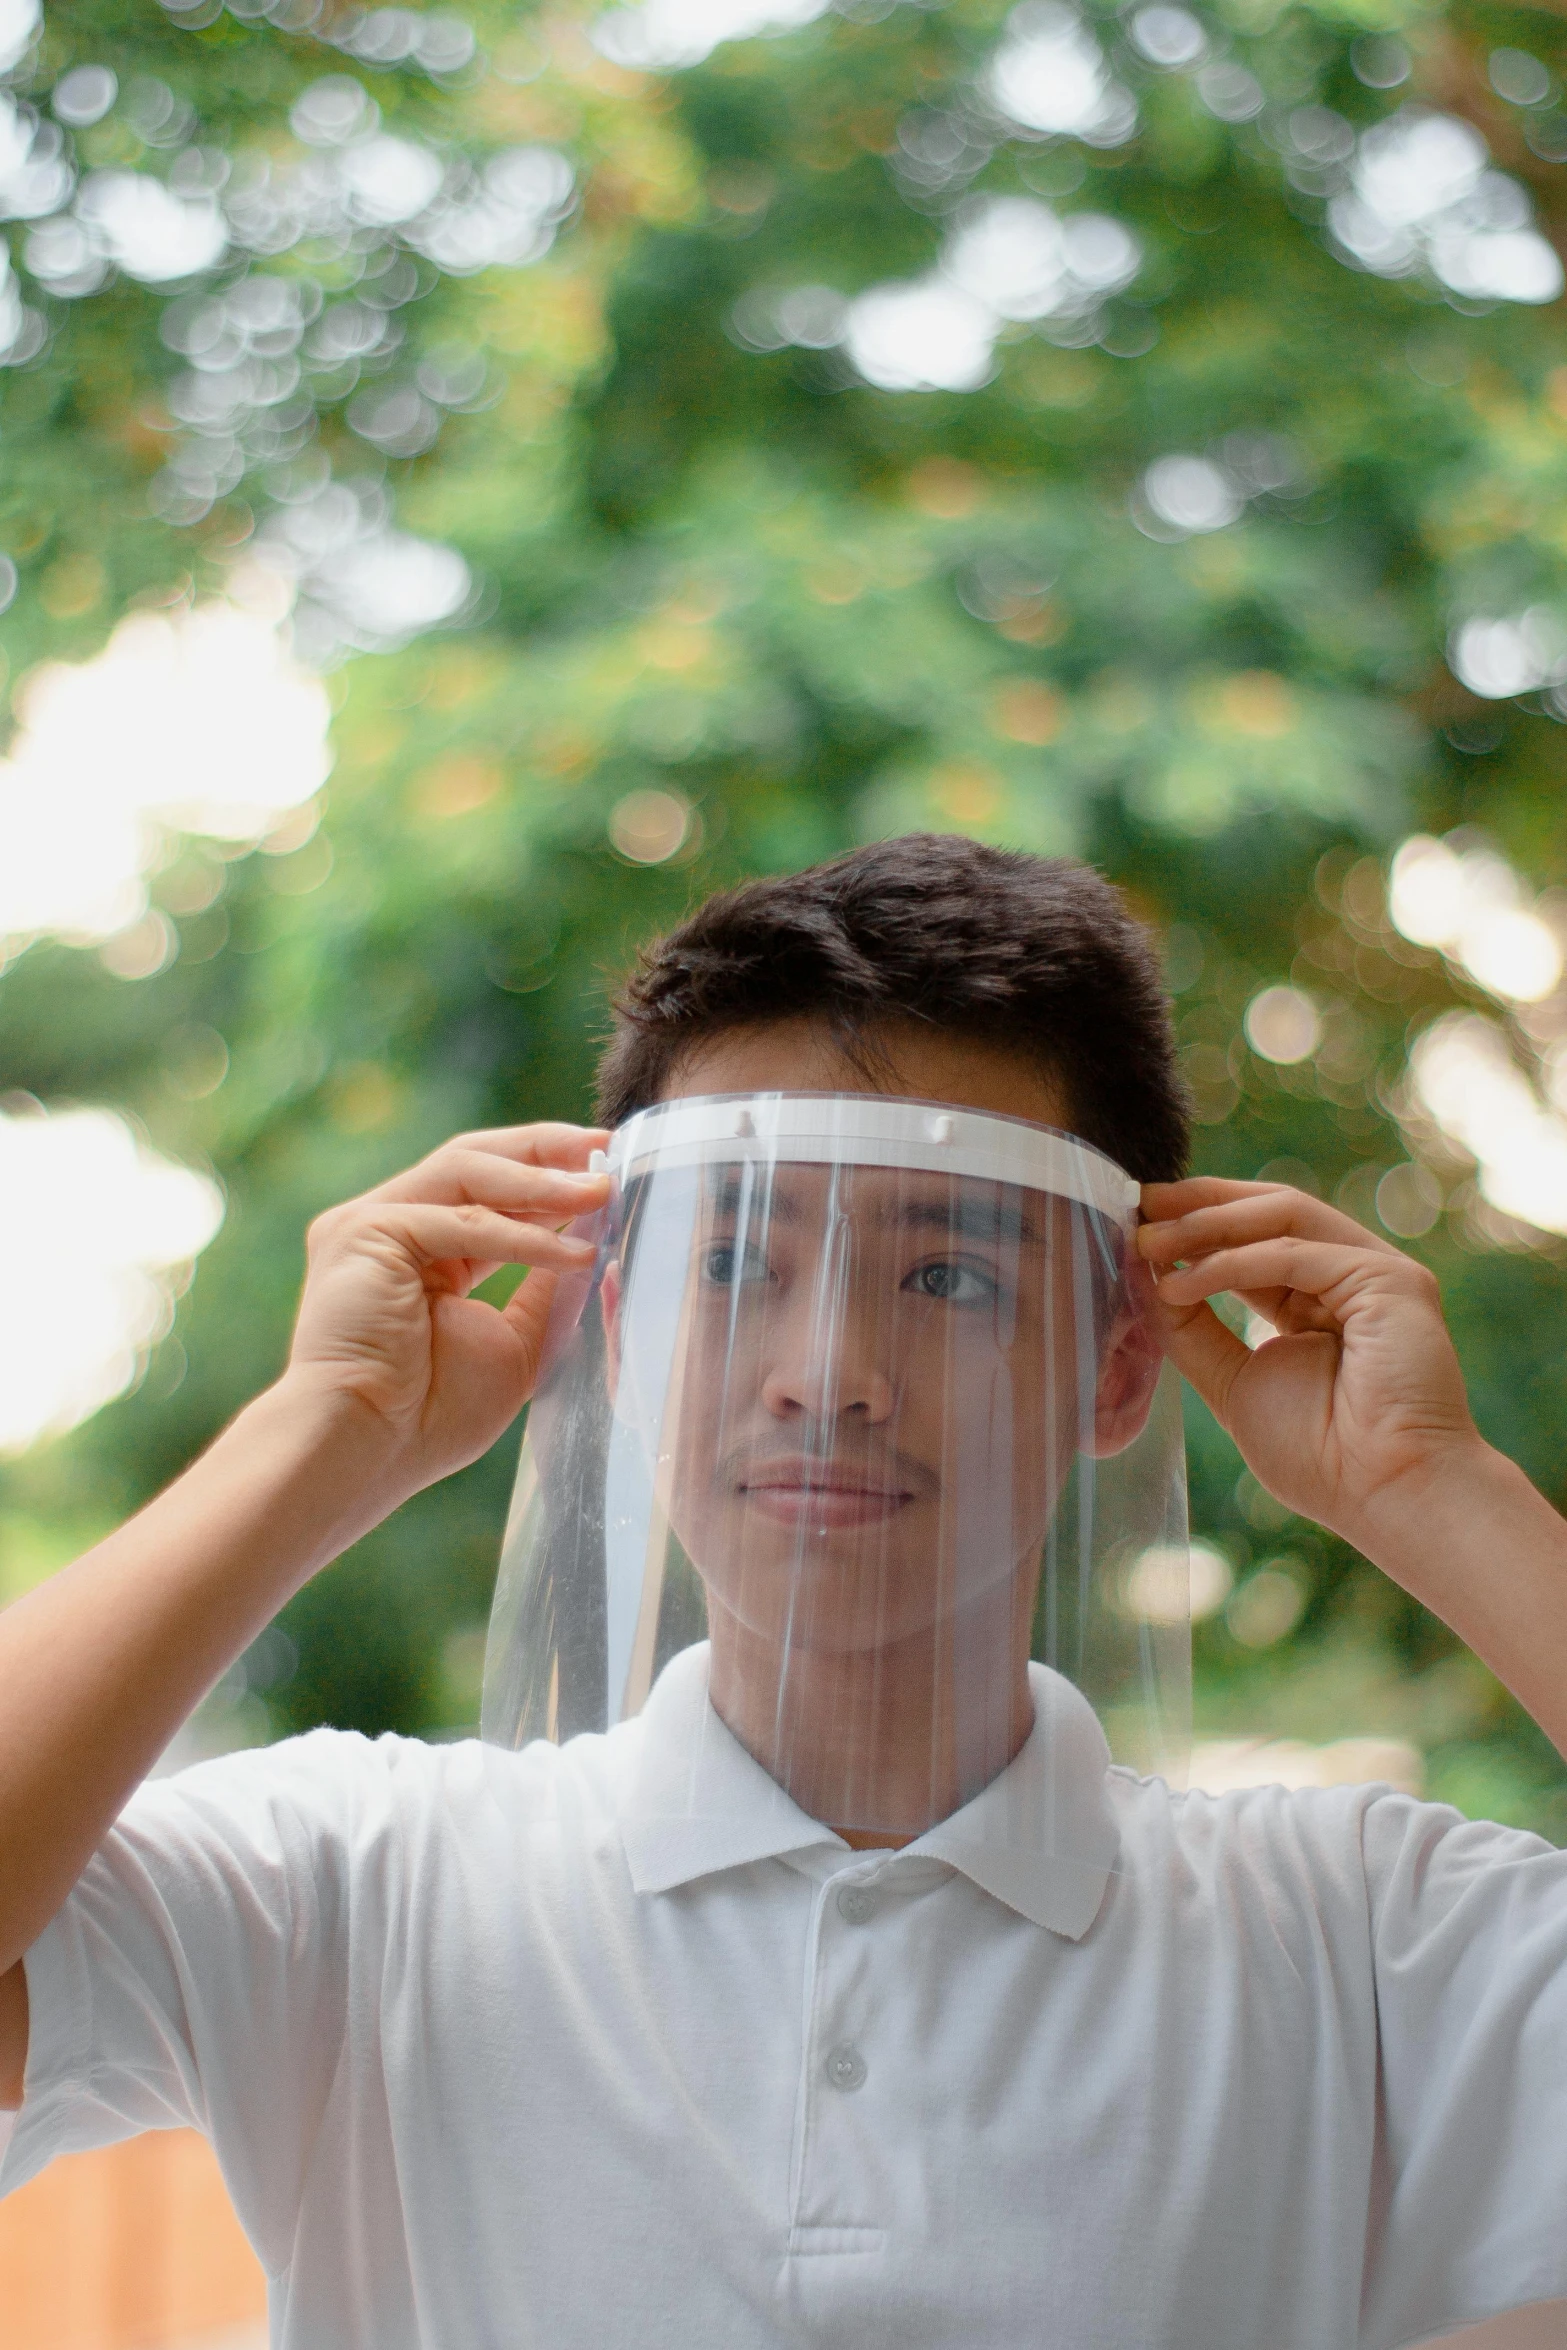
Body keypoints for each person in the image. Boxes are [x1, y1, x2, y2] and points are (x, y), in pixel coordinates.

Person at [2, 833, 1566, 2350]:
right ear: (619, 1332)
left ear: (1115, 1362)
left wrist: (1437, 1492)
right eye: (737, 1265)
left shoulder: (1360, 1938)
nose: (828, 1377)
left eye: (947, 1275)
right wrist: (316, 1434)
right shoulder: (351, 1885)